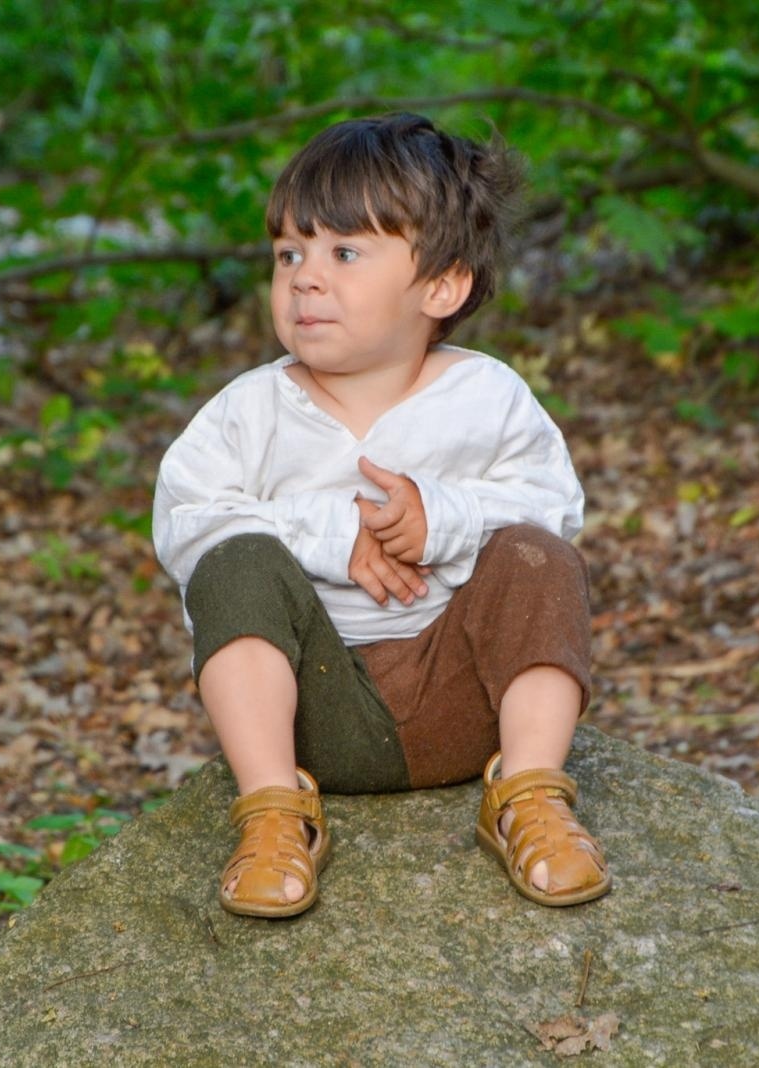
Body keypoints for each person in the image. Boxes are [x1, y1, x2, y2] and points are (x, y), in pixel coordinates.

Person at [152, 111, 608, 919]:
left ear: (442, 286)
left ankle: (530, 793)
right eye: (288, 253)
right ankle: (273, 812)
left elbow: (553, 504)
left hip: (465, 698)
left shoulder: (485, 396)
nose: (305, 278)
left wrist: (443, 520)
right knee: (233, 562)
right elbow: (187, 518)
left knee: (538, 558)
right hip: (317, 714)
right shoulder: (249, 411)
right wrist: (335, 533)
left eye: (345, 253)